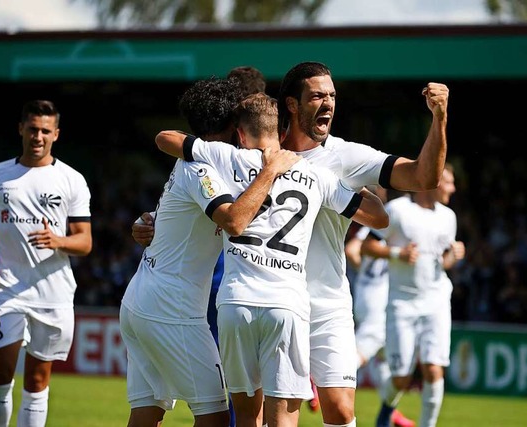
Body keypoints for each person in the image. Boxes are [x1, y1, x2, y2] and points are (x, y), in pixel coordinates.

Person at [155, 92, 389, 427]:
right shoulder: (315, 175)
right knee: (283, 420)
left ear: (239, 134)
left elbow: (166, 139)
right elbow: (378, 218)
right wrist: (346, 181)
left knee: (248, 417)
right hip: (287, 306)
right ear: (281, 132)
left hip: (236, 304)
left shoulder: (223, 156)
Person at [120, 78, 300, 427]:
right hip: (172, 309)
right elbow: (233, 220)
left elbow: (179, 216)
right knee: (216, 416)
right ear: (235, 128)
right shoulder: (202, 168)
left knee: (147, 410)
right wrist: (270, 171)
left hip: (142, 299)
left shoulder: (195, 162)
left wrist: (148, 222)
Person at [277, 61, 449, 426]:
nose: (328, 104)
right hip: (276, 300)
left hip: (328, 305)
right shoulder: (264, 150)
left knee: (340, 411)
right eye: (317, 96)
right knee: (271, 414)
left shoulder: (346, 156)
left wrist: (439, 119)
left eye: (332, 96)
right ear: (292, 105)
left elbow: (423, 175)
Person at [0, 99, 93, 427]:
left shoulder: (71, 179)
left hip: (52, 292)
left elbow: (85, 241)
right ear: (21, 129)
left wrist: (59, 241)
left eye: (45, 131)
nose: (38, 136)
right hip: (5, 288)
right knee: (0, 376)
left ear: (56, 134)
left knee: (38, 383)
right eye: (33, 129)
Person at [363, 165, 464, 427]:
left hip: (437, 300)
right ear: (433, 181)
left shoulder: (448, 216)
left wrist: (453, 256)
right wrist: (398, 254)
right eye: (449, 182)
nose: (453, 189)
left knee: (434, 368)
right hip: (402, 303)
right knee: (401, 378)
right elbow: (367, 245)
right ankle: (387, 408)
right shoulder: (398, 211)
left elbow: (443, 261)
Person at [344, 187, 415, 427]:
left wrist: (364, 270)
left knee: (385, 362)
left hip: (366, 293)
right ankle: (314, 377)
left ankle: (391, 413)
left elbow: (352, 250)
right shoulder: (391, 227)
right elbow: (353, 250)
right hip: (379, 300)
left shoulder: (370, 228)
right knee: (361, 352)